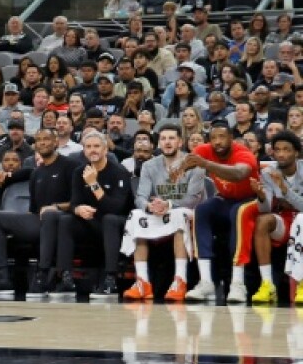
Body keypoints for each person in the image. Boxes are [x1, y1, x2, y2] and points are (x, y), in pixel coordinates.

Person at [0, 128, 79, 300]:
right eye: (39, 140)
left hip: (64, 221)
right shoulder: (36, 172)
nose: (42, 143)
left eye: (46, 139)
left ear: (56, 142)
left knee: (48, 215)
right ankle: (3, 277)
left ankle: (42, 274)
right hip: (38, 221)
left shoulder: (70, 166)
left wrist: (55, 207)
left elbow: (78, 201)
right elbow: (34, 209)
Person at [120, 124, 205, 302]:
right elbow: (141, 197)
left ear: (180, 142)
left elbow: (194, 198)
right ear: (158, 143)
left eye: (172, 138)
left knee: (178, 215)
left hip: (187, 212)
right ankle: (142, 281)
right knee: (136, 216)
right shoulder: (149, 166)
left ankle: (180, 280)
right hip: (159, 212)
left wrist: (168, 203)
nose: (167, 142)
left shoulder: (194, 164)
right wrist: (149, 207)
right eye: (164, 139)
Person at [48, 130, 134, 301]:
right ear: (83, 150)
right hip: (91, 223)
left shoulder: (119, 171)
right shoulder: (79, 172)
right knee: (66, 220)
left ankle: (111, 279)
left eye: (96, 146)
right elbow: (74, 202)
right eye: (88, 147)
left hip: (118, 226)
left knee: (109, 219)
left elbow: (116, 208)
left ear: (105, 150)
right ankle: (65, 277)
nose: (92, 150)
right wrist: (78, 209)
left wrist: (94, 184)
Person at [182, 120, 257, 302]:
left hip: (251, 200)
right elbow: (181, 167)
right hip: (226, 200)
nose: (217, 142)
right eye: (213, 137)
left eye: (222, 137)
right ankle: (206, 281)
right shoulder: (204, 151)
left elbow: (238, 174)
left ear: (231, 138)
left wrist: (206, 164)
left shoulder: (243, 153)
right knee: (201, 210)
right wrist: (179, 168)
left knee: (239, 213)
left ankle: (238, 284)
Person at [228, 130, 303, 305]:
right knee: (263, 220)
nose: (282, 154)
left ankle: (300, 283)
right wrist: (261, 196)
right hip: (284, 219)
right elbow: (267, 208)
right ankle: (267, 284)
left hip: (301, 219)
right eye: (278, 150)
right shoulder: (269, 172)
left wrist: (285, 190)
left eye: (287, 150)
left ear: (296, 152)